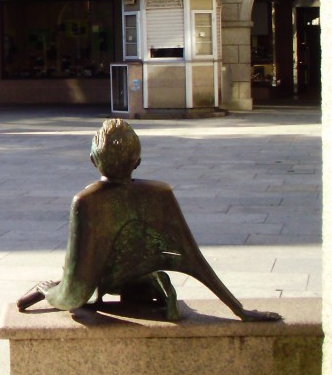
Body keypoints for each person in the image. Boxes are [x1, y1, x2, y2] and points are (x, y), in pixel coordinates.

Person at [17, 119, 280, 322]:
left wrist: (48, 291)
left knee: (42, 290)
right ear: (138, 161)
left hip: (106, 281)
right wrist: (239, 310)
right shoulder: (160, 194)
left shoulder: (86, 201)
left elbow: (76, 287)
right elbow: (194, 259)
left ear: (92, 160)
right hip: (142, 276)